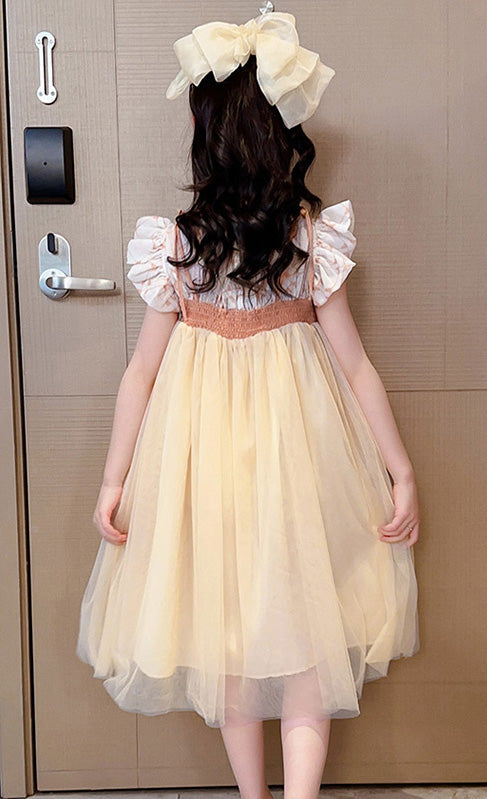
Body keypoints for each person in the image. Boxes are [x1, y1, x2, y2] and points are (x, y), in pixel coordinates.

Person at [76, 10, 420, 799]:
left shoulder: (181, 243)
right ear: (279, 138)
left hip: (203, 454)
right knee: (304, 631)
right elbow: (355, 366)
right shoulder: (304, 237)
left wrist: (115, 477)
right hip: (299, 448)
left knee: (226, 634)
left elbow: (141, 373)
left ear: (207, 138)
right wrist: (397, 469)